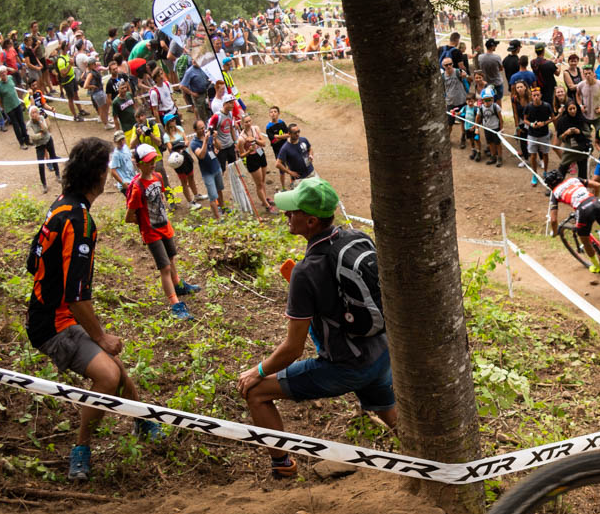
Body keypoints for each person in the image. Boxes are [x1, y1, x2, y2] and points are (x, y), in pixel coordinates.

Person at [236, 178, 398, 480]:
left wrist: (257, 371)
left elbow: (292, 349)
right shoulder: (356, 237)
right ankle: (428, 462)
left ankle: (283, 466)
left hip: (347, 366)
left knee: (256, 393)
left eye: (292, 211)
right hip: (379, 351)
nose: (286, 215)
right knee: (389, 412)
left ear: (310, 221)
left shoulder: (306, 272)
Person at [22, 139, 159, 479]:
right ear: (98, 175)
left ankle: (142, 419)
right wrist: (99, 335)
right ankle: (81, 448)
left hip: (50, 311)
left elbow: (31, 263)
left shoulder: (60, 205)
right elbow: (76, 296)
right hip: (53, 324)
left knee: (113, 361)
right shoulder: (80, 222)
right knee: (108, 375)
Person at [125, 146, 196, 319]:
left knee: (171, 258)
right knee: (164, 267)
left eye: (153, 160)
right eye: (148, 162)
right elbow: (129, 216)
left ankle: (178, 285)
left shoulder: (157, 177)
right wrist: (144, 223)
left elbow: (161, 198)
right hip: (151, 233)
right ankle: (175, 304)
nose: (152, 164)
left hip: (165, 226)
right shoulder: (137, 188)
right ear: (139, 164)